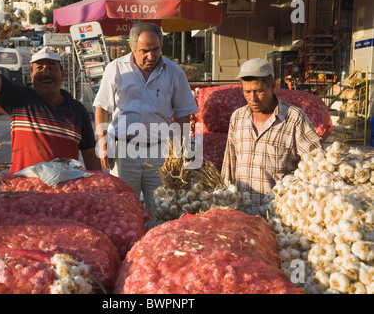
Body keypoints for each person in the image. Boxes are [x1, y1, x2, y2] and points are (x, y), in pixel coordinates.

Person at [0, 0, 101, 173]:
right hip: (23, 193)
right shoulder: (19, 99)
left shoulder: (78, 110)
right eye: (39, 67)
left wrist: (100, 192)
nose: (46, 72)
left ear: (62, 75)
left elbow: (90, 155)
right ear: (31, 76)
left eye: (52, 67)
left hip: (65, 195)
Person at [93, 22, 198, 228]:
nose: (151, 56)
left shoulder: (173, 72)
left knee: (161, 210)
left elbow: (185, 113)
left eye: (155, 49)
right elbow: (101, 108)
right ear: (132, 47)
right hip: (124, 151)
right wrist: (103, 144)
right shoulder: (116, 69)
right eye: (144, 51)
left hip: (160, 153)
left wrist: (186, 149)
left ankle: (156, 255)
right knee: (124, 211)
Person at [221, 58, 323, 207]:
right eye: (247, 92)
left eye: (259, 91)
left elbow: (317, 166)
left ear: (272, 86)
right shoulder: (238, 118)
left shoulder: (294, 118)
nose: (253, 98)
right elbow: (229, 165)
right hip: (241, 215)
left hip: (277, 217)